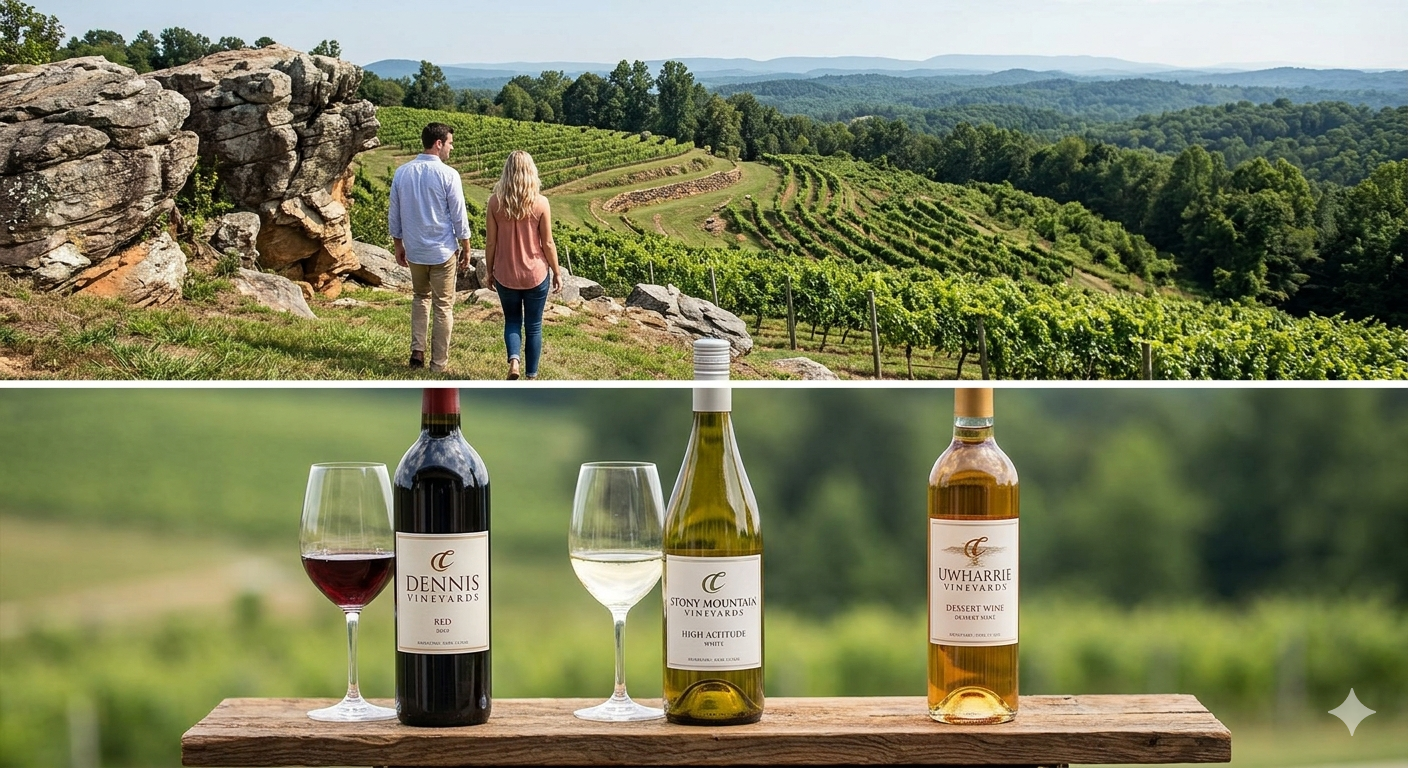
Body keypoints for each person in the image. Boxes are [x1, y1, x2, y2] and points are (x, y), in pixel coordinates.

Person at [388, 122, 471, 373]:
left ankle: (417, 352)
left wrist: (398, 244)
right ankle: (438, 364)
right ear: (438, 144)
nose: (451, 148)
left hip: (415, 250)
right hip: (442, 251)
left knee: (420, 298)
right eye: (450, 143)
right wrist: (466, 246)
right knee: (443, 306)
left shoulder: (402, 172)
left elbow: (395, 213)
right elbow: (459, 216)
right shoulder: (449, 175)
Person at [486, 150, 561, 380]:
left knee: (511, 321)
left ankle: (514, 361)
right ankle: (531, 376)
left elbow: (491, 242)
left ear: (506, 172)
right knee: (534, 326)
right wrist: (556, 271)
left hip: (505, 273)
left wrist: (489, 271)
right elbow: (547, 242)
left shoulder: (495, 202)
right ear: (531, 172)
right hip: (535, 274)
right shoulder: (540, 203)